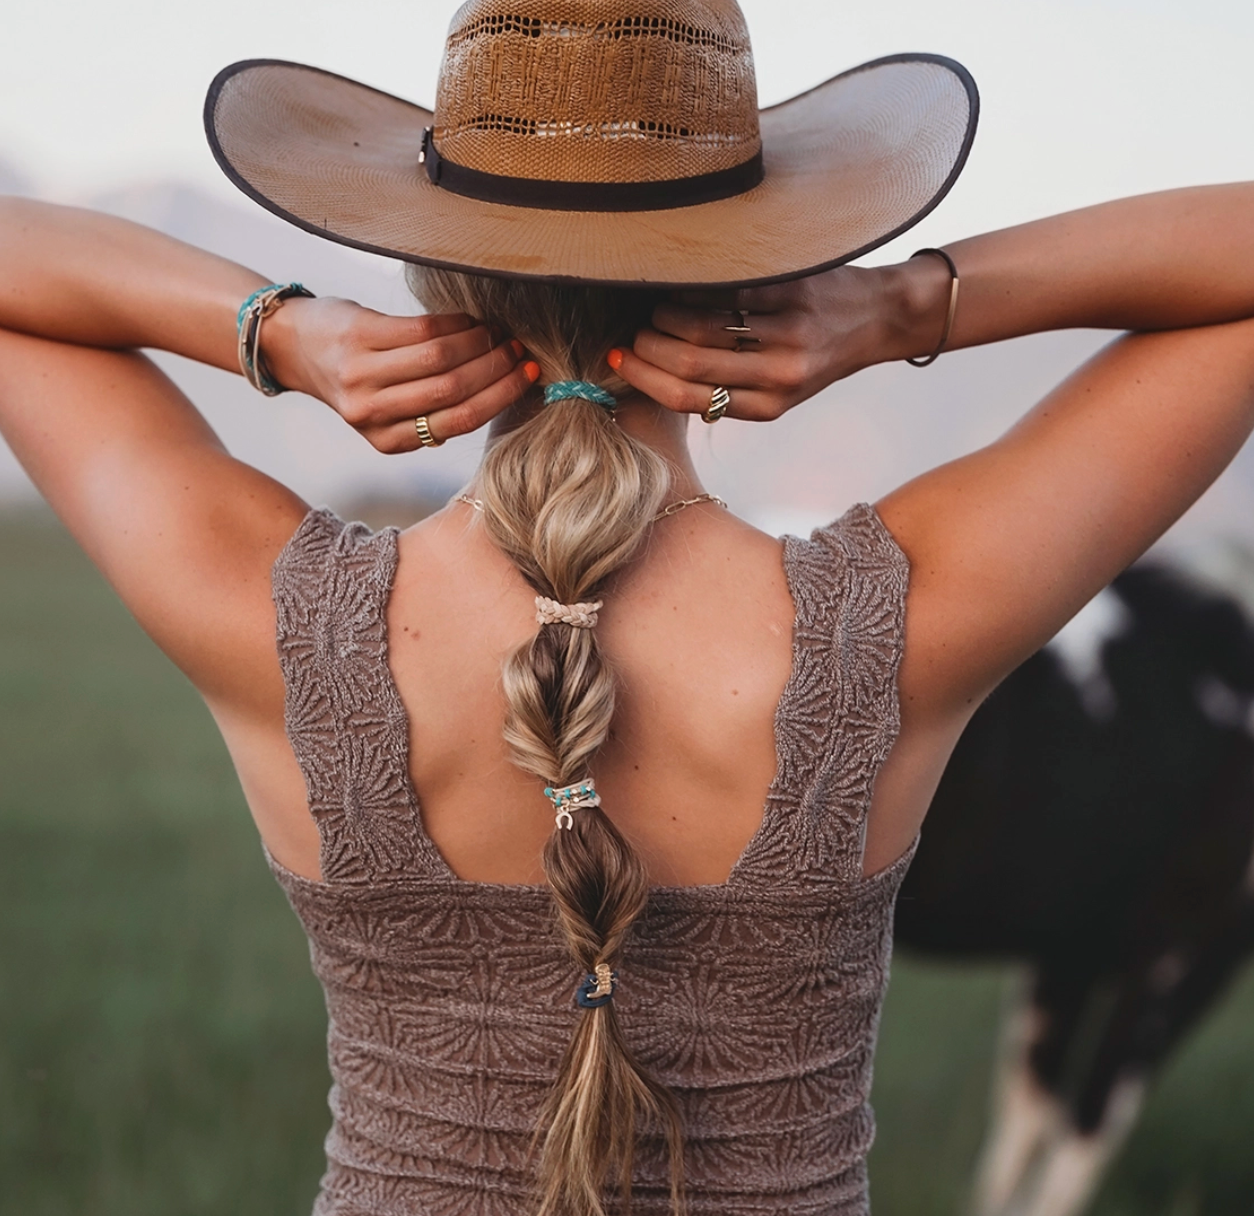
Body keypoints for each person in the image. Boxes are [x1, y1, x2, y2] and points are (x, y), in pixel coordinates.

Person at [2, 2, 1253, 1214]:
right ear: (762, 263)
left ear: (428, 261)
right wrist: (901, 309)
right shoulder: (891, 625)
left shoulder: (292, 622)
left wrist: (280, 334)